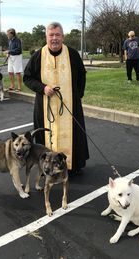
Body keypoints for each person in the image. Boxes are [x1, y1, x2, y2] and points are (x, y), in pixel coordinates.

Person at [23, 22, 89, 175]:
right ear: (46, 37)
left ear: (62, 37)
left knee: (73, 136)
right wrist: (43, 88)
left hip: (70, 105)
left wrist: (78, 95)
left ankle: (73, 166)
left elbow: (82, 75)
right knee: (44, 136)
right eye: (51, 35)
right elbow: (27, 78)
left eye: (57, 35)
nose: (54, 38)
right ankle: (45, 168)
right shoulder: (38, 55)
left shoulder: (72, 54)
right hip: (45, 106)